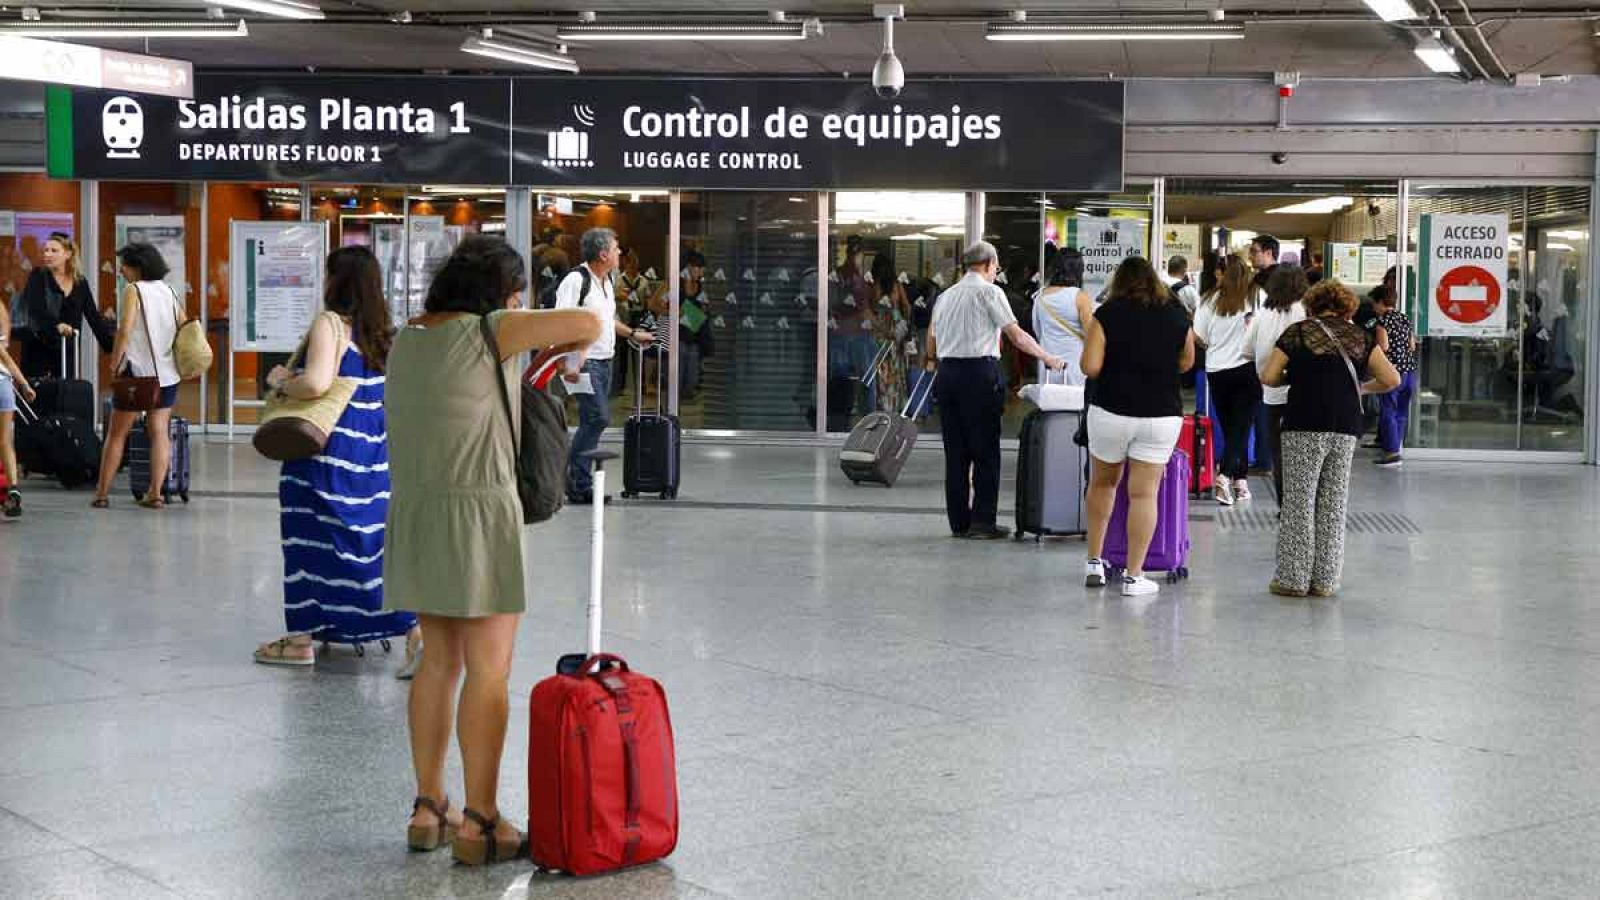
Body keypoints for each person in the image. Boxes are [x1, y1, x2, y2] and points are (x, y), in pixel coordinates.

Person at [384, 235, 602, 865]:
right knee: (489, 669)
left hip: (418, 511)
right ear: (503, 294)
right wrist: (544, 333)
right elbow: (589, 320)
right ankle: (481, 819)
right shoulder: (492, 330)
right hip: (479, 513)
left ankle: (429, 806)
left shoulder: (409, 337)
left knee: (437, 665)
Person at [253, 247, 420, 672]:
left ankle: (302, 639)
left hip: (324, 451)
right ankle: (414, 630)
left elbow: (316, 383)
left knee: (310, 538)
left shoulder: (330, 324)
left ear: (336, 281)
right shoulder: (382, 332)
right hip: (370, 454)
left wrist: (281, 380)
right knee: (368, 541)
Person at [1260, 280, 1401, 598]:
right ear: (1347, 307)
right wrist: (1361, 388)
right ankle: (1325, 580)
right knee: (1333, 503)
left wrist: (1295, 376)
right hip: (1345, 424)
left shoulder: (1297, 334)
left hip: (1304, 423)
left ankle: (1293, 579)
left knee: (1299, 502)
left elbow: (1269, 376)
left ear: (1312, 304)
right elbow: (1392, 378)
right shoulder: (1361, 338)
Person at [926, 241, 1065, 541]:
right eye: (996, 268)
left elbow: (932, 340)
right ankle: (983, 522)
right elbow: (1015, 334)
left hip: (947, 375)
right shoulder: (990, 292)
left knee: (956, 454)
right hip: (979, 374)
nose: (996, 273)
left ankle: (959, 522)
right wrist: (1047, 358)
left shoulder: (945, 297)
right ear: (989, 263)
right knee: (986, 451)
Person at [1081, 257, 1197, 597]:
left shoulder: (1106, 314)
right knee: (1144, 494)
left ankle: (1094, 562)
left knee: (1103, 484)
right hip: (1160, 415)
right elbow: (1187, 361)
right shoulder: (1177, 316)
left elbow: (1090, 367)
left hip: (1111, 411)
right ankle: (1134, 576)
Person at [557, 228, 654, 505]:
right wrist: (571, 360)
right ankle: (576, 482)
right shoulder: (576, 280)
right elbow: (564, 321)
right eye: (615, 248)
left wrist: (633, 334)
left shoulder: (607, 281)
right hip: (585, 363)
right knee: (598, 418)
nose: (619, 253)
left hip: (605, 361)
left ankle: (580, 483)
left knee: (593, 419)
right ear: (602, 254)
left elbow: (607, 320)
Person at [93, 243, 181, 510]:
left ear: (137, 267)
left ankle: (102, 493)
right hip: (166, 373)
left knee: (118, 433)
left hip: (136, 371)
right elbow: (184, 324)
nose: (121, 270)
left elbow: (125, 329)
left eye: (125, 265)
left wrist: (115, 361)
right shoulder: (169, 291)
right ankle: (155, 493)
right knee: (159, 432)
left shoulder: (134, 290)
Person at [1193, 256, 1263, 506]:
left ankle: (1240, 481)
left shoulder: (1208, 300)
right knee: (1241, 428)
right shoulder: (1256, 297)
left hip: (1217, 371)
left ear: (1223, 273)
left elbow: (1198, 336)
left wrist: (1217, 344)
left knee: (1233, 427)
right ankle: (1224, 475)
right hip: (1248, 369)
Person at [1246, 264, 1309, 504]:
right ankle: (1301, 503)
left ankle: (1284, 504)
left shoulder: (1263, 314)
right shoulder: (1305, 312)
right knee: (1303, 450)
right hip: (1302, 393)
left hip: (1271, 392)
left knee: (1279, 452)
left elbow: (1247, 350)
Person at [13, 232, 109, 379]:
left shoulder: (80, 282)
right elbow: (36, 310)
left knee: (67, 396)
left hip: (67, 353)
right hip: (39, 351)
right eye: (46, 250)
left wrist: (112, 346)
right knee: (42, 397)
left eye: (54, 250)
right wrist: (57, 325)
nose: (48, 254)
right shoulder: (38, 276)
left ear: (68, 254)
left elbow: (93, 317)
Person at [1031, 248, 1094, 386]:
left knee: (1050, 404)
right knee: (1074, 405)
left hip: (1048, 367)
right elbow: (1091, 335)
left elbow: (1037, 331)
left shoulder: (1040, 297)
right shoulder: (1080, 297)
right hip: (1075, 367)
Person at [1371, 286, 1418, 467]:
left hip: (1392, 372)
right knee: (1401, 412)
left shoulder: (1383, 321)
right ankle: (1396, 448)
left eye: (1374, 304)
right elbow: (1412, 346)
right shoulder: (1404, 318)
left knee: (1388, 410)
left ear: (1381, 302)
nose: (1374, 308)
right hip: (1409, 372)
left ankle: (1391, 453)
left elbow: (1383, 347)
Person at [0, 329, 35, 518]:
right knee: (5, 441)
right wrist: (24, 385)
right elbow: (6, 359)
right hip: (3, 384)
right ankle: (13, 488)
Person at [869, 252, 911, 412]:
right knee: (896, 365)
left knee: (881, 366)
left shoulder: (875, 286)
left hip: (880, 329)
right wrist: (903, 322)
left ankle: (882, 402)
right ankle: (895, 402)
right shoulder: (897, 285)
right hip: (895, 327)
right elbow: (907, 307)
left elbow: (871, 307)